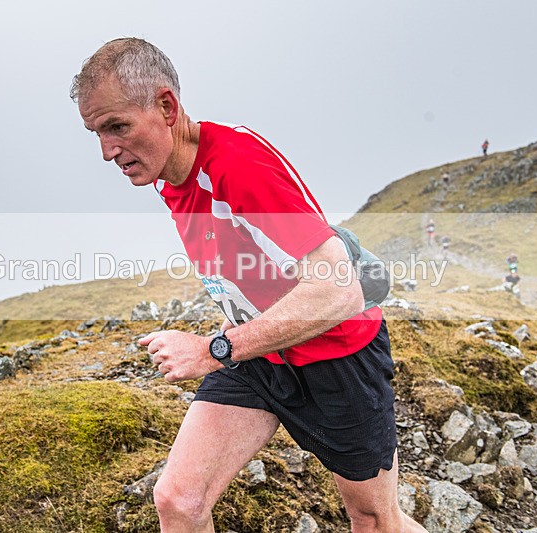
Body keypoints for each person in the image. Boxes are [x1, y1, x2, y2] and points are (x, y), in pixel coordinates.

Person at [71, 38, 425, 533]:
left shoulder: (237, 164)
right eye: (96, 132)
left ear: (166, 106)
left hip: (337, 358)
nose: (108, 151)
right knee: (179, 502)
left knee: (373, 519)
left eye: (117, 127)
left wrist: (213, 349)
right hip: (258, 355)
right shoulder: (165, 175)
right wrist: (230, 335)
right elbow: (242, 262)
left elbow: (339, 288)